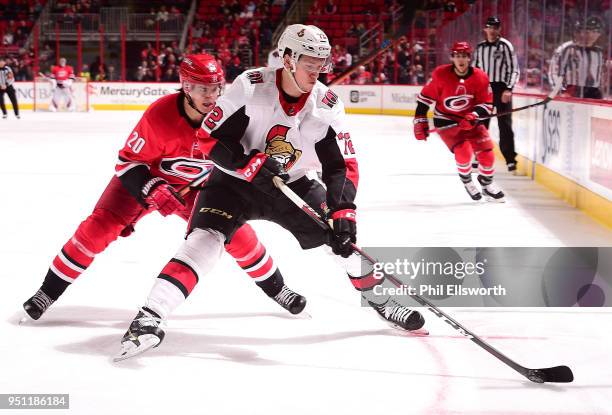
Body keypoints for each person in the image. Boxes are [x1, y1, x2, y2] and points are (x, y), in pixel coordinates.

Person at [116, 24, 426, 361]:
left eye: (322, 63)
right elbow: (210, 138)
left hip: (293, 184)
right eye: (310, 62)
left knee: (346, 243)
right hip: (233, 183)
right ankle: (149, 316)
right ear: (289, 58)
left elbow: (341, 166)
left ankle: (382, 302)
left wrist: (343, 211)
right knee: (203, 240)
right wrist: (247, 164)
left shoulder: (327, 105)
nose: (318, 71)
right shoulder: (251, 86)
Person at [22, 54, 306, 323]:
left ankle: (278, 289)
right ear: (185, 86)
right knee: (98, 228)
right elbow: (127, 163)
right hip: (148, 178)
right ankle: (46, 293)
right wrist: (151, 188)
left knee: (238, 235)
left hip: (199, 189)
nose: (213, 97)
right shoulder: (160, 115)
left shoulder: (232, 114)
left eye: (217, 88)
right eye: (203, 89)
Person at [413, 41, 505, 202]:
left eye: (464, 56)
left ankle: (486, 184)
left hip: (472, 120)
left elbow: (486, 103)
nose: (460, 60)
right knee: (463, 152)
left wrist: (474, 115)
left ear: (469, 58)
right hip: (446, 121)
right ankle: (467, 181)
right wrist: (420, 121)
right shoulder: (441, 74)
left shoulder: (480, 77)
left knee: (488, 156)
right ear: (452, 58)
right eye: (457, 56)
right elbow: (424, 99)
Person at [473, 16, 519, 173]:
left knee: (504, 124)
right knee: (480, 123)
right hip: (485, 89)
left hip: (501, 89)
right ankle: (478, 154)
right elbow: (474, 69)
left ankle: (510, 159)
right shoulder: (480, 48)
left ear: (499, 29)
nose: (491, 30)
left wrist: (509, 88)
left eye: (495, 27)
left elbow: (514, 69)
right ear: (485, 29)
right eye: (489, 27)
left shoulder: (506, 46)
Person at [549, 16, 605, 100]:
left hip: (594, 93)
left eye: (596, 32)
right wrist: (559, 91)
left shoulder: (598, 52)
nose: (593, 34)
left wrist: (601, 91)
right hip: (571, 91)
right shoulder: (567, 48)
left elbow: (600, 74)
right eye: (590, 30)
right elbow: (554, 71)